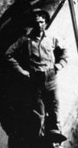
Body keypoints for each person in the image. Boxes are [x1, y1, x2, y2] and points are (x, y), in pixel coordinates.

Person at [5, 8, 67, 137]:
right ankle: (40, 140)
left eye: (41, 22)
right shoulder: (25, 40)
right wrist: (21, 71)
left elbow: (65, 52)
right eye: (36, 22)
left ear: (45, 23)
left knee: (55, 106)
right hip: (34, 79)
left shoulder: (52, 38)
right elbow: (8, 55)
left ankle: (55, 136)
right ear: (32, 24)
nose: (39, 25)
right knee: (38, 112)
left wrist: (59, 65)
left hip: (51, 77)